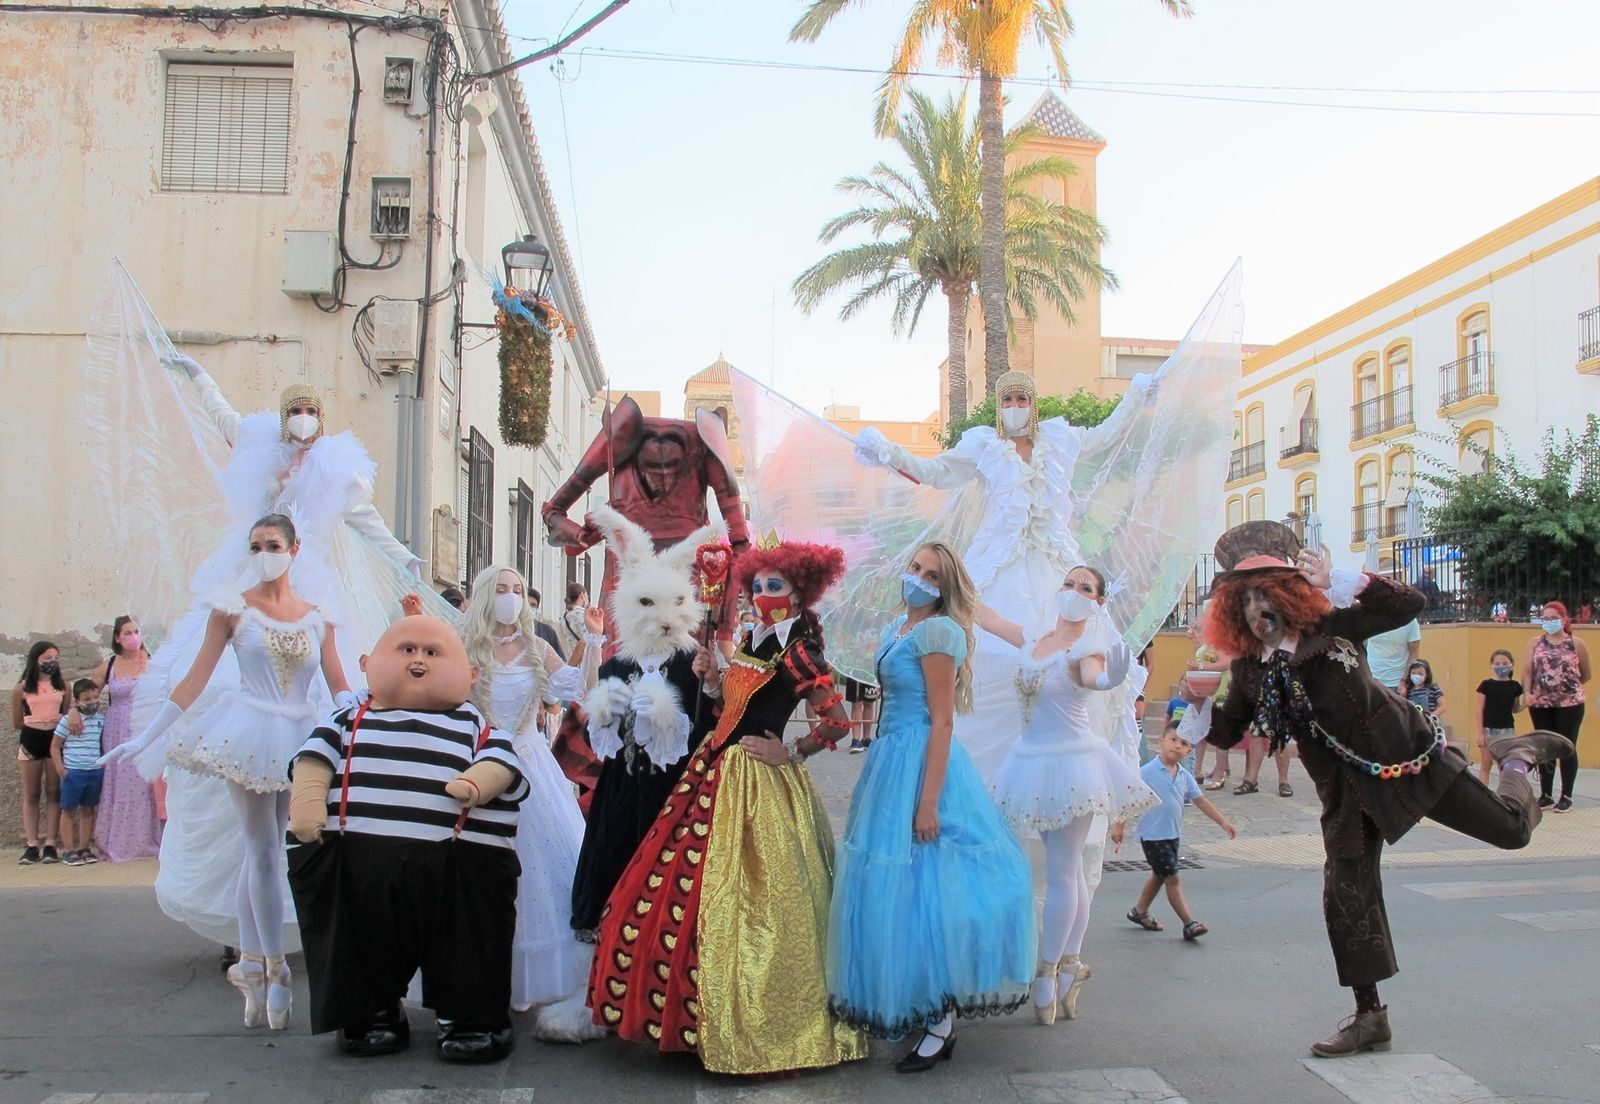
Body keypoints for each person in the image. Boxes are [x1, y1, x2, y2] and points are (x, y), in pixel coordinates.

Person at [1192, 521, 1573, 1057]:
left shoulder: (1336, 625)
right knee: (1344, 894)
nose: (1258, 607)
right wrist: (1194, 703)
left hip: (1409, 758)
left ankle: (1518, 758)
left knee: (1512, 831)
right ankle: (1370, 1016)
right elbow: (1228, 730)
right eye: (1246, 597)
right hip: (1346, 790)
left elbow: (1408, 603)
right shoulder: (1251, 671)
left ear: (1289, 593)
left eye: (1267, 592)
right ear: (1233, 608)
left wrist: (1339, 578)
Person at [588, 534, 867, 1074]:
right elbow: (728, 710)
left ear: (799, 592)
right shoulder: (752, 639)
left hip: (759, 781)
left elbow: (837, 722)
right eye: (757, 585)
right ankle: (691, 1013)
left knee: (758, 901)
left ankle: (756, 1020)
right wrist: (713, 681)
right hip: (713, 770)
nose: (763, 594)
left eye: (774, 585)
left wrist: (791, 751)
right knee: (680, 886)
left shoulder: (799, 651)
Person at [101, 514, 354, 1032]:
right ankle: (274, 967)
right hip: (250, 730)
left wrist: (369, 714)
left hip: (301, 733)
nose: (264, 554)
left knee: (273, 848)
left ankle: (251, 962)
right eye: (255, 545)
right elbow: (194, 680)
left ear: (294, 549)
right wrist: (147, 737)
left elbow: (338, 684)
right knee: (262, 848)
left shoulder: (318, 618)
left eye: (273, 544)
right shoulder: (233, 611)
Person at [828, 542, 1036, 1073]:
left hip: (920, 763)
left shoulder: (938, 632)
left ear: (945, 588)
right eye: (915, 567)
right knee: (897, 891)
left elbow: (943, 721)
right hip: (888, 762)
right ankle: (918, 1002)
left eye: (931, 574)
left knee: (927, 889)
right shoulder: (899, 628)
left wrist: (927, 802)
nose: (917, 577)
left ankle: (940, 1023)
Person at [286, 615, 526, 1063]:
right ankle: (372, 1011)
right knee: (361, 939)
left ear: (471, 674)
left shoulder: (476, 725)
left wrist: (477, 784)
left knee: (469, 940)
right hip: (358, 860)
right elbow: (312, 760)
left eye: (433, 652)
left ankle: (470, 1018)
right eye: (407, 650)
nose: (419, 660)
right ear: (366, 664)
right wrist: (307, 804)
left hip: (459, 862)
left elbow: (503, 765)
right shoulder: (346, 720)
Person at [975, 565, 1154, 1025]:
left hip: (1072, 765)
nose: (1073, 591)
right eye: (1069, 583)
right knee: (1069, 870)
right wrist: (953, 584)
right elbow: (988, 618)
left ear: (1098, 602)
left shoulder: (1086, 649)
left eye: (1085, 588)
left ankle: (1049, 970)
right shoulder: (1036, 636)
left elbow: (1094, 677)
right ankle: (1071, 964)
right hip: (1030, 762)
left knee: (1063, 870)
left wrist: (1110, 679)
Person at [457, 566, 601, 1019]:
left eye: (517, 589)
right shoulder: (465, 645)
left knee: (534, 872)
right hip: (476, 764)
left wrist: (593, 640)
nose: (511, 596)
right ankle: (479, 973)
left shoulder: (537, 647)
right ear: (486, 594)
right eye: (502, 589)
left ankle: (525, 977)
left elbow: (581, 688)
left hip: (530, 763)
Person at [1117, 719, 1236, 939]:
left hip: (1172, 835)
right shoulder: (1147, 771)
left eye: (1184, 743)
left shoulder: (1184, 775)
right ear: (1161, 740)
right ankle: (1189, 924)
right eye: (1173, 740)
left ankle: (1139, 911)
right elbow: (1128, 796)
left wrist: (1223, 822)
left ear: (1189, 750)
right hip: (1152, 836)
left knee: (1159, 875)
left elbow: (1201, 801)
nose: (1177, 746)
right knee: (1172, 878)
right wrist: (1119, 825)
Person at [67, 617, 160, 862]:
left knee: (145, 781)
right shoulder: (109, 665)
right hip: (117, 728)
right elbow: (86, 692)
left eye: (136, 631)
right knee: (120, 781)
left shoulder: (153, 661)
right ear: (117, 637)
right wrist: (73, 711)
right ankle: (119, 838)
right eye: (127, 632)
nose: (133, 636)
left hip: (145, 725)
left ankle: (148, 837)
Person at [1522, 601, 1589, 813]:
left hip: (1570, 704)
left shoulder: (1576, 643)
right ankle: (1546, 794)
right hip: (1540, 704)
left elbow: (1586, 674)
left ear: (1563, 619)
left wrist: (1566, 688)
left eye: (1554, 618)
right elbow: (1527, 671)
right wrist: (1527, 693)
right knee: (1545, 747)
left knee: (1566, 746)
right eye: (1546, 618)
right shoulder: (1535, 643)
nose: (1549, 622)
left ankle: (1566, 795)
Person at [12, 640, 67, 865]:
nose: (52, 662)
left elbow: (65, 715)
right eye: (47, 658)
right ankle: (32, 845)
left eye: (55, 658)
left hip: (54, 740)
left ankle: (51, 843)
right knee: (32, 793)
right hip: (31, 740)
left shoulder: (63, 686)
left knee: (54, 791)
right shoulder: (22, 688)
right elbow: (17, 721)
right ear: (36, 660)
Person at [53, 679, 107, 866]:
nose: (92, 702)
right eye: (87, 699)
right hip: (73, 772)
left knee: (88, 810)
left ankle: (84, 847)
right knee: (68, 810)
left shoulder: (101, 720)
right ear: (77, 701)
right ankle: (69, 850)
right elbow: (55, 746)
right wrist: (60, 768)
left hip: (94, 771)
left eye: (95, 697)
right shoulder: (68, 720)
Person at [1476, 650, 1524, 785]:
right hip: (1488, 729)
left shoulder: (1515, 686)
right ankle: (1483, 792)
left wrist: (1526, 704)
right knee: (1486, 764)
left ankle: (1503, 793)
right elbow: (1479, 709)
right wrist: (1480, 733)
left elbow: (1515, 708)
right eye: (1497, 663)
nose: (1501, 666)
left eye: (1504, 663)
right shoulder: (1486, 685)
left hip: (1507, 730)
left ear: (1511, 664)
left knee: (1504, 765)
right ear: (1492, 665)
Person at [1365, 618, 1421, 693]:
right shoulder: (1372, 617)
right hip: (1372, 682)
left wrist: (1404, 681)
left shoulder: (1410, 620)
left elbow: (1414, 654)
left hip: (1397, 684)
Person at [844, 675, 880, 753]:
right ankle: (856, 740)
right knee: (856, 703)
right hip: (854, 672)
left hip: (869, 673)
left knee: (869, 703)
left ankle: (866, 739)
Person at [1404, 660, 1445, 725]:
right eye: (1413, 673)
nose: (1416, 676)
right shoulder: (1408, 691)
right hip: (1414, 724)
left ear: (1427, 674)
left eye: (1420, 674)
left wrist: (1431, 716)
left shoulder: (1433, 689)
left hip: (1430, 724)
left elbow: (1442, 706)